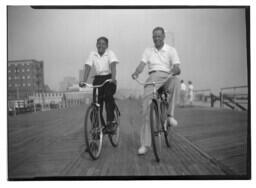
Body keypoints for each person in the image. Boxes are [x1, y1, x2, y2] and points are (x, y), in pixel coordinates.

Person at [131, 27, 181, 155]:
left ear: (164, 36)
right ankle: (145, 144)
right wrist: (136, 72)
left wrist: (174, 71)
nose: (156, 38)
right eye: (154, 36)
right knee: (146, 109)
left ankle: (170, 116)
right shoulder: (148, 51)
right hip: (153, 77)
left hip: (167, 76)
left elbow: (177, 67)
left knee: (175, 81)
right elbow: (142, 64)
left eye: (159, 36)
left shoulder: (171, 50)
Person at [80, 36, 119, 133]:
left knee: (108, 96)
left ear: (106, 46)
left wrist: (113, 79)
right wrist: (83, 81)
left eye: (103, 44)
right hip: (97, 79)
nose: (101, 45)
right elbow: (88, 67)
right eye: (99, 43)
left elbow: (113, 66)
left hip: (109, 78)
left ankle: (111, 122)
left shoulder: (110, 53)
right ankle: (96, 129)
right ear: (96, 45)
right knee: (96, 104)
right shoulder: (92, 54)